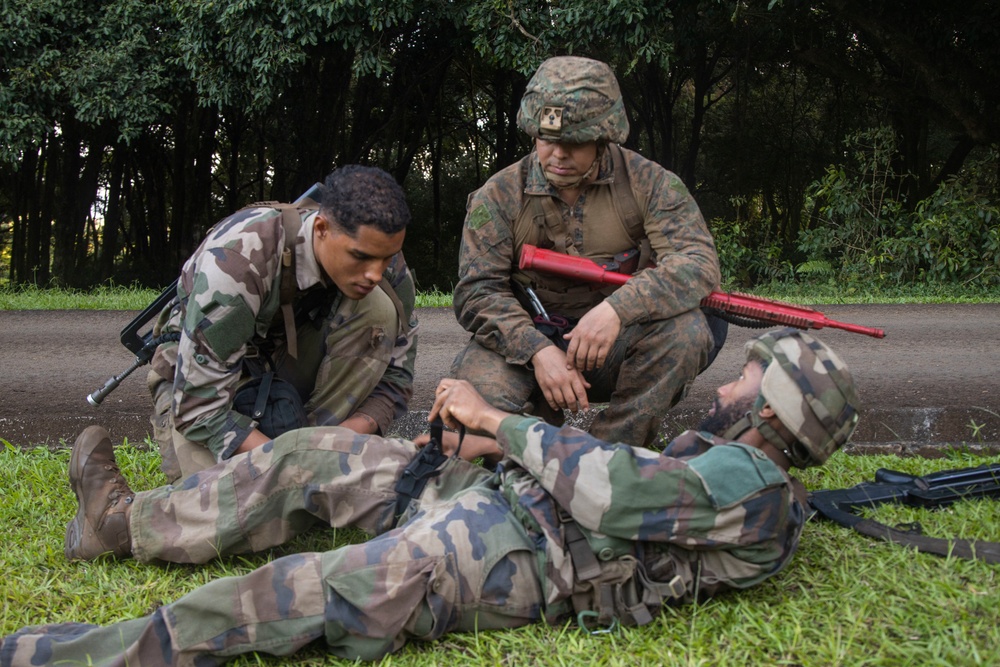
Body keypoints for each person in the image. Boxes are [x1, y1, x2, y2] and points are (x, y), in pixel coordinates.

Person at [1, 328, 859, 665]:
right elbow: (614, 473)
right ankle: (118, 525)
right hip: (505, 501)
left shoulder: (757, 486)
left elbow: (617, 494)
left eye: (751, 373)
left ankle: (64, 656)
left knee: (303, 587)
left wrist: (501, 422)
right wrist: (483, 443)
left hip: (515, 557)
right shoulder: (721, 465)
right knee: (310, 457)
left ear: (777, 408)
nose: (732, 378)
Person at [450, 55, 721, 448]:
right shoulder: (499, 195)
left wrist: (616, 310)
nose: (558, 156)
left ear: (603, 137)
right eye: (547, 140)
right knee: (476, 394)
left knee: (687, 332)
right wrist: (537, 351)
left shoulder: (649, 183)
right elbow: (477, 292)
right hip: (527, 342)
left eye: (574, 143)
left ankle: (611, 452)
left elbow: (696, 264)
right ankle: (531, 444)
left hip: (615, 344)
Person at [146, 165, 419, 482]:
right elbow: (199, 409)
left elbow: (397, 381)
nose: (375, 273)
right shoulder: (237, 263)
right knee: (221, 509)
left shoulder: (383, 260)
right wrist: (292, 468)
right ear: (321, 230)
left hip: (281, 359)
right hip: (201, 385)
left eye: (386, 258)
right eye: (359, 256)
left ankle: (313, 444)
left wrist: (335, 444)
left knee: (380, 310)